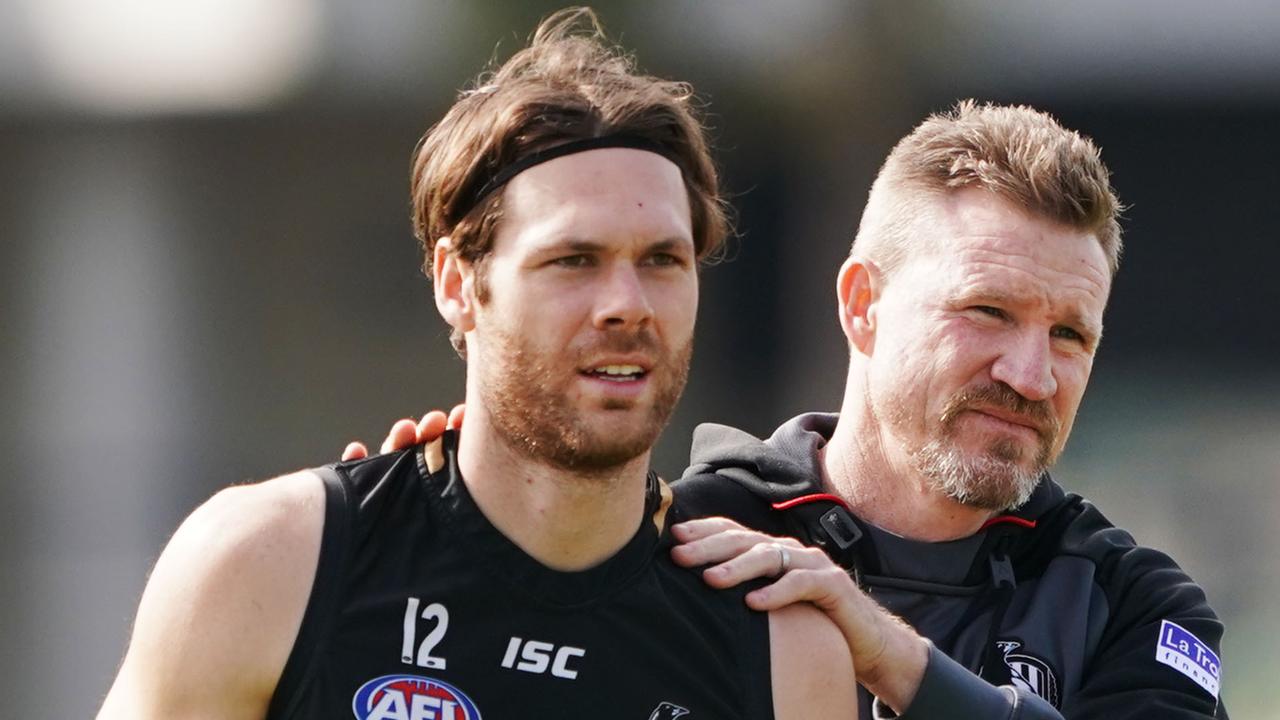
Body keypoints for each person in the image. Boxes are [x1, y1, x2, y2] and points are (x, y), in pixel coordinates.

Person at [96, 9, 857, 720]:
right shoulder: (270, 564)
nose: (627, 304)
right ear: (459, 285)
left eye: (662, 259)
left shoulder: (782, 647)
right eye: (572, 260)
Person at [363, 102, 1228, 719]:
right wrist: (435, 543)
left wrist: (887, 656)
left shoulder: (1134, 605)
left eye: (1070, 335)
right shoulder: (685, 535)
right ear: (861, 305)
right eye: (987, 313)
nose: (1032, 374)